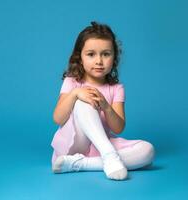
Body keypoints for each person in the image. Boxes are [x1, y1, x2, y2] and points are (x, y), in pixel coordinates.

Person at [51, 21, 155, 181]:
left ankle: (82, 164)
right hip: (74, 144)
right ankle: (110, 156)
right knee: (85, 99)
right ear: (80, 58)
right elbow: (57, 118)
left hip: (100, 147)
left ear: (114, 58)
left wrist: (106, 106)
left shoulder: (116, 88)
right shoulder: (72, 82)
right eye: (91, 54)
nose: (99, 61)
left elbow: (118, 128)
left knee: (148, 151)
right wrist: (75, 94)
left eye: (106, 54)